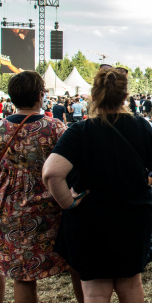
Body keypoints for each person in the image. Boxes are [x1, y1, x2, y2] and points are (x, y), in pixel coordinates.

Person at [43, 67, 152, 302]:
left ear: (94, 95)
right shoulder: (140, 126)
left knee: (96, 289)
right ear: (125, 96)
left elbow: (51, 174)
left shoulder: (80, 131)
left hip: (90, 217)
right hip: (133, 215)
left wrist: (68, 203)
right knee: (131, 284)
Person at [0, 71, 83, 303]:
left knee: (23, 275)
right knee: (74, 263)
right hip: (53, 205)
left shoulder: (1, 128)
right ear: (39, 95)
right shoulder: (54, 128)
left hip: (11, 209)